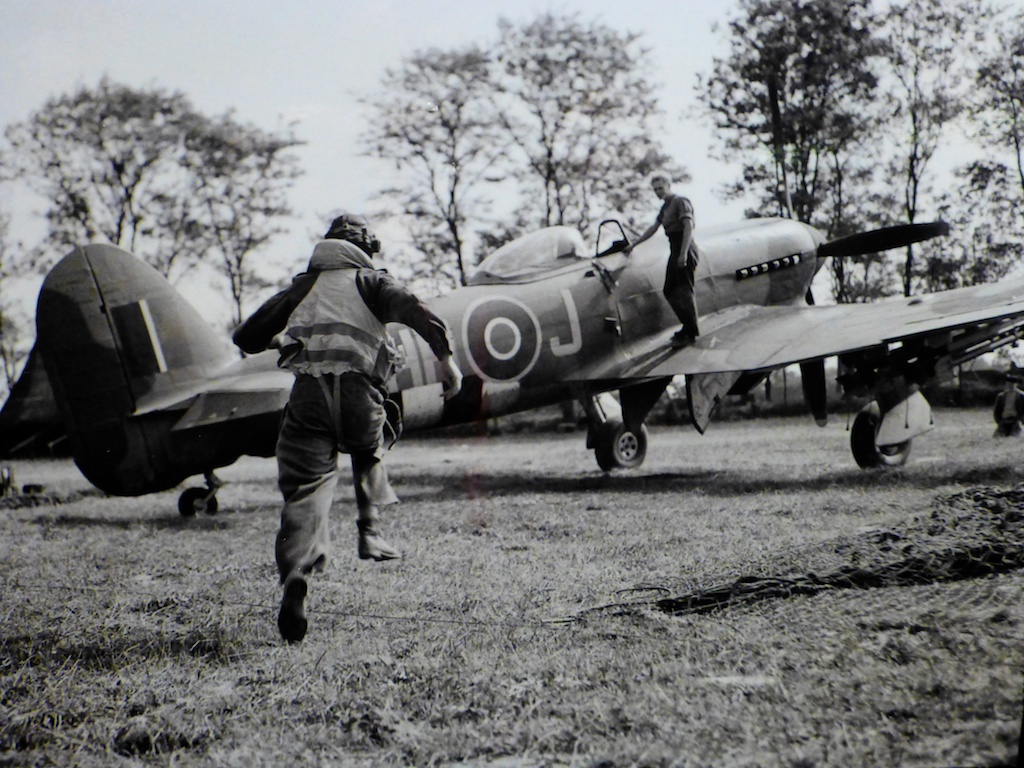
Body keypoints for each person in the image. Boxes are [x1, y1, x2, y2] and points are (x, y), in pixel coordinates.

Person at [233, 213, 463, 643]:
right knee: (369, 446)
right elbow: (418, 310)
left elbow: (247, 336)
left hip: (309, 396)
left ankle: (297, 572)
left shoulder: (304, 286)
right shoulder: (372, 282)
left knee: (305, 488)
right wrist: (447, 361)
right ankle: (370, 533)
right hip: (361, 393)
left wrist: (280, 339)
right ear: (364, 247)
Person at [623, 174, 701, 346]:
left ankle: (691, 331)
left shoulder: (680, 201)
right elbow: (653, 228)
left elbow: (688, 226)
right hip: (674, 247)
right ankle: (687, 325)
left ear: (668, 185)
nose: (658, 192)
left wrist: (684, 253)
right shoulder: (665, 207)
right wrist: (634, 244)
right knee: (669, 290)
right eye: (655, 189)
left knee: (685, 290)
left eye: (660, 188)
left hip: (684, 246)